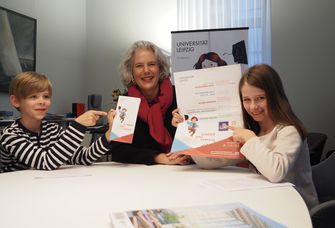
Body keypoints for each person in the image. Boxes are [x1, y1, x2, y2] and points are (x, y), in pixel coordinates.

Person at [229, 64, 318, 210]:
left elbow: (276, 172)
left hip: (295, 209)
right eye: (247, 100)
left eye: (260, 98)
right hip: (266, 201)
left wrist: (250, 139)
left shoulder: (289, 130)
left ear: (275, 96)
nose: (253, 106)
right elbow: (218, 159)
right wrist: (188, 152)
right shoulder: (253, 129)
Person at [0, 71, 116, 172]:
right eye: (33, 96)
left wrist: (108, 135)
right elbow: (46, 162)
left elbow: (83, 157)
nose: (42, 101)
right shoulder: (10, 135)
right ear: (16, 101)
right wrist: (78, 126)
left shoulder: (53, 130)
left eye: (46, 96)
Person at [110, 40, 189, 165]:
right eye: (139, 66)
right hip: (143, 178)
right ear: (131, 72)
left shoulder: (180, 96)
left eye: (151, 64)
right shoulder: (126, 104)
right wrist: (158, 157)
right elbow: (119, 151)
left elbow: (198, 136)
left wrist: (189, 152)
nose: (146, 71)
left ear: (160, 68)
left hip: (185, 173)